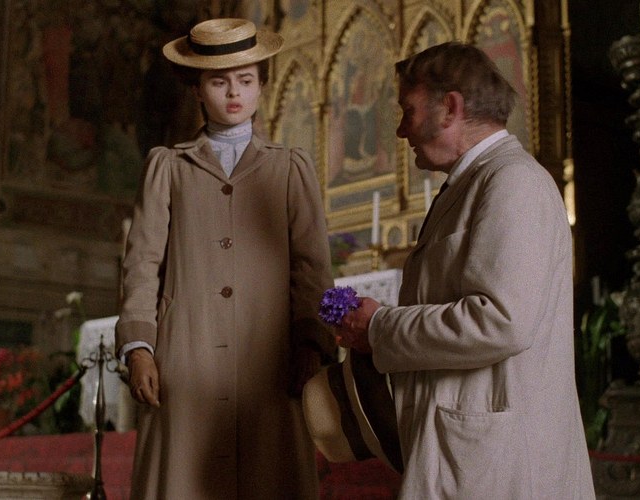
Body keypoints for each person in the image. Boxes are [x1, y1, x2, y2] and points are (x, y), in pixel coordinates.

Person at [336, 42, 595, 499]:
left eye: (409, 111)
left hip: (502, 464)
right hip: (474, 456)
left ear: (451, 107)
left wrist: (380, 326)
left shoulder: (512, 180)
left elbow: (500, 322)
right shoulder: (473, 182)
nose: (401, 130)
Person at [115, 18, 336, 499]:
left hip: (270, 357)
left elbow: (312, 268)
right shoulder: (168, 167)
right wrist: (139, 348)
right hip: (185, 355)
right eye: (218, 82)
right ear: (197, 89)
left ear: (261, 85)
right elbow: (142, 265)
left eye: (246, 80)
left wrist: (311, 342)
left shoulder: (290, 167)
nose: (234, 93)